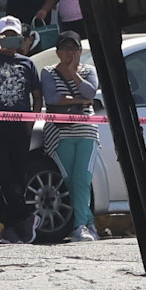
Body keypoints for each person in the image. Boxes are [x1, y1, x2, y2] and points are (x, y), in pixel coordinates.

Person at [0, 14, 48, 243]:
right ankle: (27, 216)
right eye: (5, 36)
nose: (9, 40)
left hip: (19, 129)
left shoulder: (27, 63)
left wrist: (31, 120)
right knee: (4, 176)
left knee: (17, 179)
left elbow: (37, 95)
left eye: (14, 36)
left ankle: (12, 230)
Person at [44, 31, 104, 243]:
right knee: (70, 180)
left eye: (73, 48)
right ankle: (88, 223)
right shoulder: (48, 72)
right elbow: (51, 97)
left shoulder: (89, 71)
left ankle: (81, 226)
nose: (69, 52)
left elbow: (90, 93)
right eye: (65, 48)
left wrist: (73, 73)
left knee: (83, 179)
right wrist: (80, 101)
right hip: (60, 133)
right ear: (58, 51)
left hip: (86, 132)